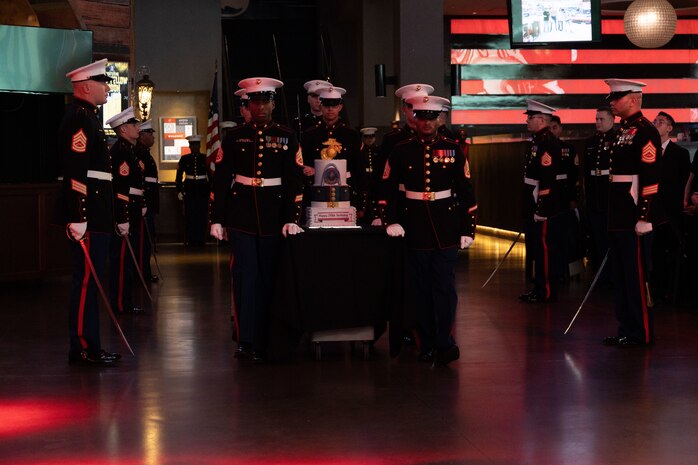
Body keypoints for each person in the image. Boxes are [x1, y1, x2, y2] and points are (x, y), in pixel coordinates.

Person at [209, 77, 305, 363]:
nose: (260, 107)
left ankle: (269, 338)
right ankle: (246, 340)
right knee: (245, 279)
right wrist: (217, 219)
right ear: (247, 105)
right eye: (255, 102)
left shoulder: (287, 136)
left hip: (274, 217)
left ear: (273, 104)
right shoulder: (234, 136)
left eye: (265, 102)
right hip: (241, 218)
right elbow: (221, 180)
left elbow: (295, 181)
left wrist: (292, 217)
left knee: (270, 280)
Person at [381, 94, 477, 367]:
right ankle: (426, 343)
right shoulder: (400, 150)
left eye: (432, 117)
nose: (426, 122)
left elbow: (467, 191)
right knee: (420, 291)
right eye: (421, 116)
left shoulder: (453, 149)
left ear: (441, 119)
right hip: (414, 227)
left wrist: (468, 228)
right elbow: (386, 190)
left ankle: (445, 341)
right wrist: (390, 220)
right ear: (414, 118)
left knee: (445, 289)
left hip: (445, 227)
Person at [60, 59, 121, 366]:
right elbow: (75, 171)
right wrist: (79, 215)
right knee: (86, 281)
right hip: (90, 215)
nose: (108, 87)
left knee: (92, 282)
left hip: (98, 213)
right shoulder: (79, 119)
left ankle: (90, 344)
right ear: (85, 86)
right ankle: (84, 347)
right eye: (102, 82)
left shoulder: (90, 118)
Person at [602, 79, 664, 347]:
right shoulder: (622, 130)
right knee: (621, 276)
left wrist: (644, 216)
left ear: (634, 99)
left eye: (617, 97)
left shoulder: (645, 131)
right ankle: (626, 327)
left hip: (633, 216)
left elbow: (650, 178)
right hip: (618, 214)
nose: (612, 102)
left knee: (636, 276)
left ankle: (642, 332)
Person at [518, 100, 563, 304]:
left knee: (544, 248)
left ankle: (545, 289)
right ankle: (538, 286)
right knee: (536, 246)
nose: (527, 120)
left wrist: (541, 206)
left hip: (541, 200)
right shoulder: (537, 140)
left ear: (542, 119)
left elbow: (547, 177)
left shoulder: (547, 142)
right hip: (531, 196)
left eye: (531, 117)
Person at [374, 83, 435, 226]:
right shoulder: (393, 140)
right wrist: (380, 213)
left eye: (419, 104)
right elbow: (380, 178)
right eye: (411, 106)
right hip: (402, 207)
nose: (415, 110)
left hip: (435, 209)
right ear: (404, 109)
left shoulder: (443, 138)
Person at [301, 86, 364, 218]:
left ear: (340, 107)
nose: (330, 109)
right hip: (317, 193)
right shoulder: (309, 134)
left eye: (334, 105)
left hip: (346, 192)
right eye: (327, 105)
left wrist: (360, 204)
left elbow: (359, 170)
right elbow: (303, 165)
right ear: (321, 106)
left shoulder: (351, 135)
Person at [107, 106, 146, 315]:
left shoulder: (128, 149)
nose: (137, 128)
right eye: (133, 124)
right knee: (121, 261)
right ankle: (121, 303)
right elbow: (120, 189)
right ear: (123, 129)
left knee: (127, 261)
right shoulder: (121, 152)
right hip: (125, 210)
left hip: (132, 207)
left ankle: (126, 301)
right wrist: (122, 217)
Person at [651, 111, 690, 304]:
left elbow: (684, 183)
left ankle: (671, 292)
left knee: (671, 253)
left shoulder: (680, 153)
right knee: (654, 254)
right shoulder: (647, 151)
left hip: (671, 213)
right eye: (655, 121)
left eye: (661, 122)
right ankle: (656, 292)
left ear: (669, 128)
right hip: (651, 212)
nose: (656, 124)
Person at [582, 106, 616, 280]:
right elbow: (586, 174)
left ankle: (611, 275)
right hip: (594, 199)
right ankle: (600, 275)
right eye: (596, 119)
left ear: (612, 119)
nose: (598, 122)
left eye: (601, 119)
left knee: (610, 240)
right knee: (596, 239)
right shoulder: (590, 142)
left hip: (609, 198)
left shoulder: (618, 139)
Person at [549, 114, 581, 279]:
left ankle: (570, 271)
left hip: (564, 196)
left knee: (568, 236)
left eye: (555, 127)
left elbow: (574, 176)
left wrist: (573, 199)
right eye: (549, 128)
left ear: (560, 129)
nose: (552, 131)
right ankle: (553, 270)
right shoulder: (540, 147)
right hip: (548, 196)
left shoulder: (568, 149)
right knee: (551, 237)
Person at [135, 119, 159, 283]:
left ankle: (145, 271)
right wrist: (144, 202)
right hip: (145, 202)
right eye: (150, 133)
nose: (153, 137)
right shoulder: (139, 153)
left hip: (149, 202)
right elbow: (140, 180)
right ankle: (142, 273)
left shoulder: (145, 153)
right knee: (143, 240)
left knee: (147, 239)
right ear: (142, 135)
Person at [176, 135, 210, 246]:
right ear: (190, 146)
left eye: (197, 144)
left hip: (203, 189)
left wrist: (212, 190)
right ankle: (191, 238)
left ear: (199, 146)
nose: (195, 147)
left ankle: (201, 239)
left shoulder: (205, 158)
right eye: (193, 145)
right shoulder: (185, 158)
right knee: (190, 215)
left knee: (202, 214)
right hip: (189, 189)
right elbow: (179, 176)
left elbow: (210, 176)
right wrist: (179, 190)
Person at [358, 127, 380, 223]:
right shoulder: (360, 152)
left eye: (372, 137)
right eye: (367, 137)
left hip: (375, 180)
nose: (370, 139)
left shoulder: (379, 151)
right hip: (363, 180)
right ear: (363, 138)